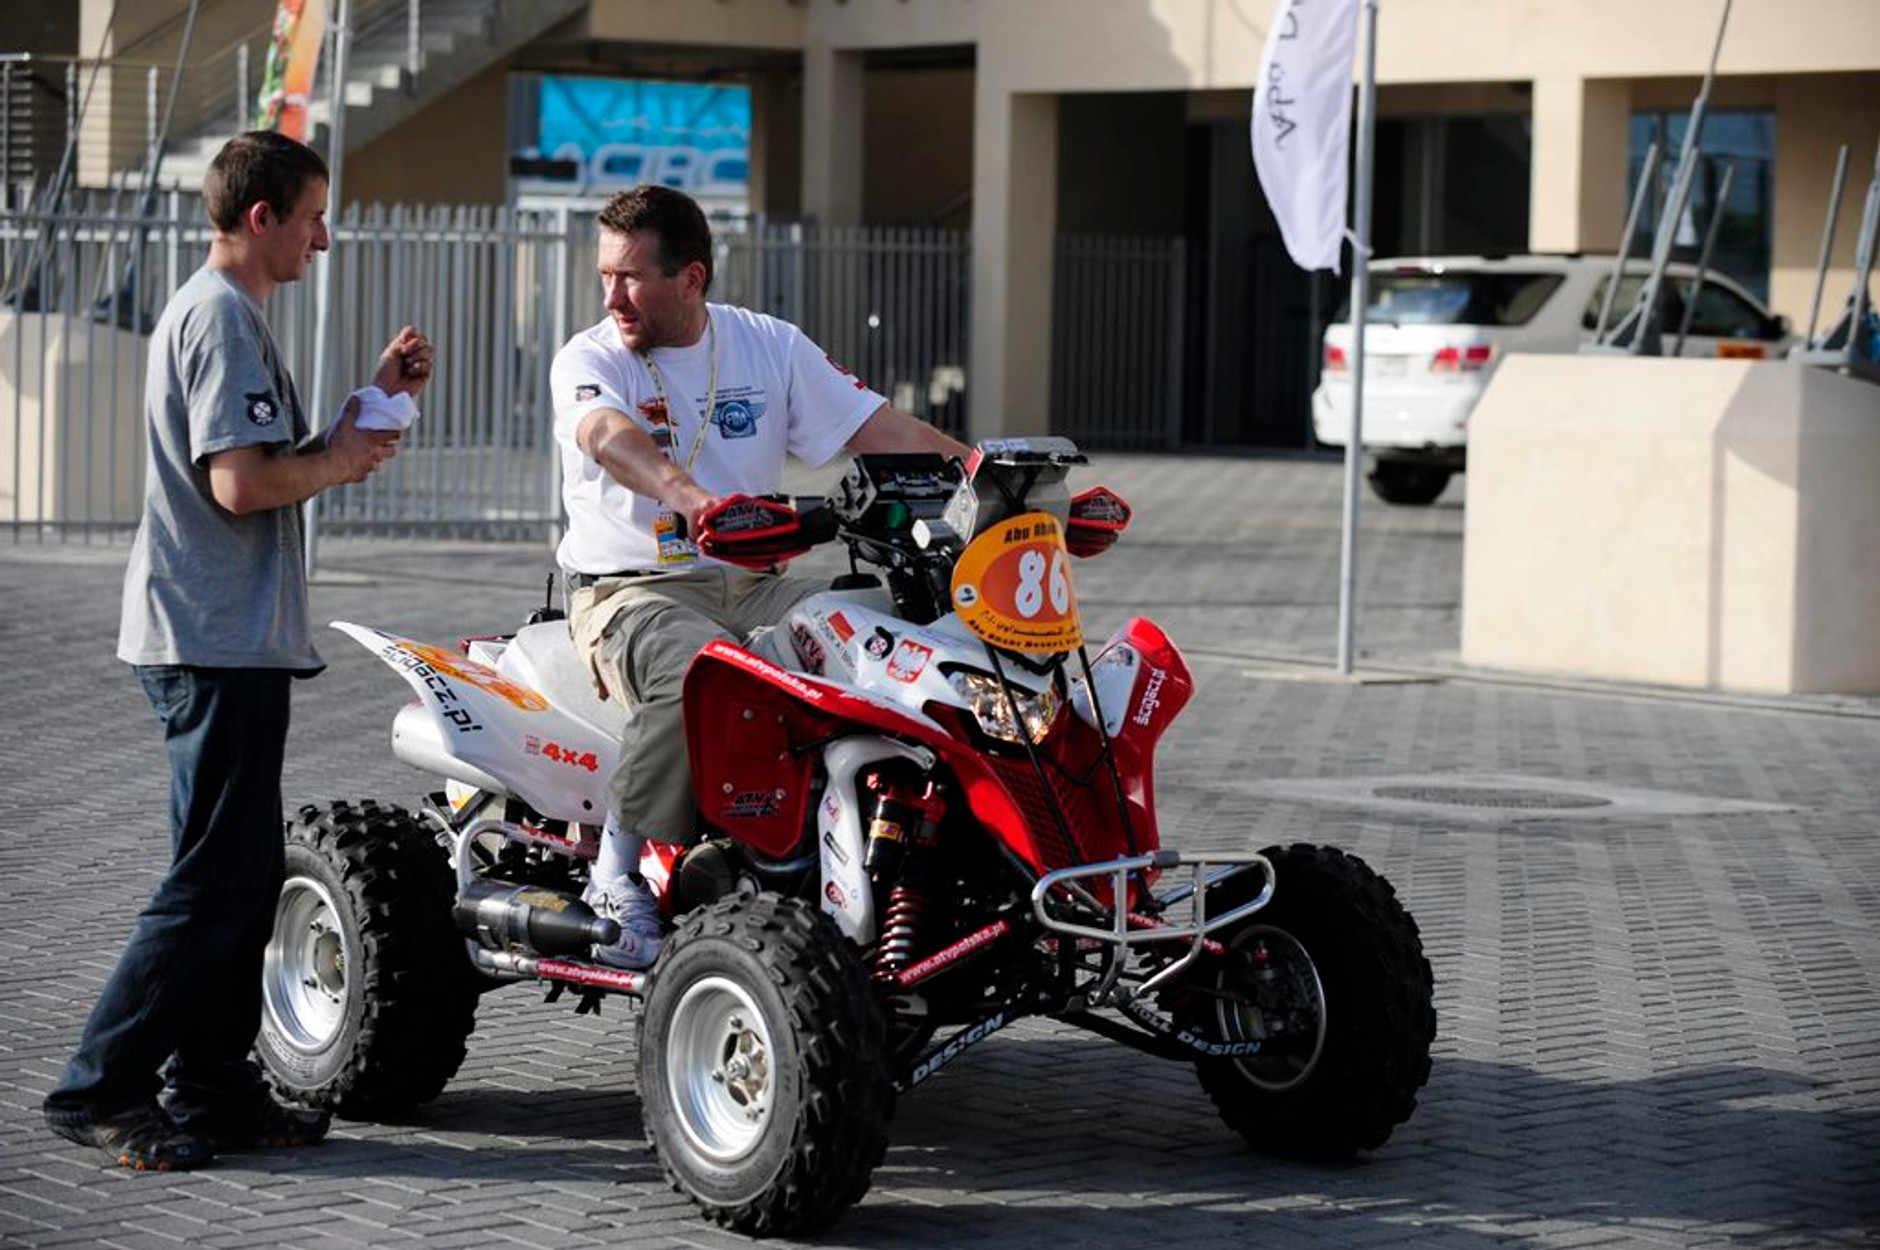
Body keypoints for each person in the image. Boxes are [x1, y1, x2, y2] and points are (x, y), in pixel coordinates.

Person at [41, 131, 433, 1171]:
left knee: (243, 877)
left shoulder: (227, 312)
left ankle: (211, 1087)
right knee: (212, 882)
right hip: (211, 641)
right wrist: (339, 458)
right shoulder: (219, 318)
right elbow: (241, 483)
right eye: (313, 216)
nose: (324, 238)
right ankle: (100, 1085)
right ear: (262, 217)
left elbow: (264, 458)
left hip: (225, 638)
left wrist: (361, 410)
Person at [551, 184, 967, 968]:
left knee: (894, 627)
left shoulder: (767, 344)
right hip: (629, 590)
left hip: (755, 583)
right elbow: (606, 434)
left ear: (691, 279)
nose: (611, 297)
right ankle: (615, 874)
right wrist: (693, 500)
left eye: (630, 278)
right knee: (699, 670)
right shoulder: (592, 356)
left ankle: (873, 845)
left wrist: (990, 476)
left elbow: (880, 428)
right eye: (605, 276)